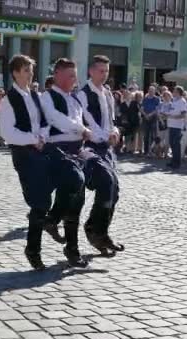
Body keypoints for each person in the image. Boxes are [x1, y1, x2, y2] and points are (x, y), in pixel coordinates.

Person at [0, 54, 60, 270]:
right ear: (15, 73)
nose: (30, 74)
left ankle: (49, 219)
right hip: (24, 154)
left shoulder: (35, 95)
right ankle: (33, 250)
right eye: (26, 70)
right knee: (39, 203)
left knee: (67, 179)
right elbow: (8, 133)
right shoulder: (8, 100)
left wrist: (42, 136)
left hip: (41, 149)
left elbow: (43, 121)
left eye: (31, 70)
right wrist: (33, 140)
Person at [40, 58, 93, 268]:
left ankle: (72, 250)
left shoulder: (74, 100)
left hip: (76, 150)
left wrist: (87, 131)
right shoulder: (48, 97)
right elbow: (55, 119)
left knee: (77, 202)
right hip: (58, 149)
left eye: (75, 75)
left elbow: (81, 122)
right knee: (75, 181)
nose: (75, 79)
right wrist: (80, 129)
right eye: (70, 75)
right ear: (57, 75)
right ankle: (51, 219)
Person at [77, 55, 124, 257]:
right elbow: (89, 124)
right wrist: (107, 135)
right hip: (90, 147)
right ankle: (93, 229)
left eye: (106, 71)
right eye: (100, 70)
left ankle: (101, 232)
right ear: (91, 71)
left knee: (114, 189)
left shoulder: (108, 94)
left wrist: (115, 133)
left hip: (107, 147)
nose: (104, 75)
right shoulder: (83, 94)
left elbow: (111, 121)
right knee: (106, 183)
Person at [164, 86, 187, 169]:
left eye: (174, 91)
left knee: (176, 144)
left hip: (177, 126)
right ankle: (173, 160)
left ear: (179, 92)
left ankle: (177, 163)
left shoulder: (182, 101)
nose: (173, 92)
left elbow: (183, 114)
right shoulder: (174, 100)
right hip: (171, 125)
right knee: (172, 144)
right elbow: (171, 111)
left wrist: (173, 117)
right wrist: (167, 114)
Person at [141, 86, 160, 156]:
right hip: (145, 118)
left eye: (153, 91)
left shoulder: (157, 99)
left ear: (154, 91)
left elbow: (157, 109)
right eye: (150, 90)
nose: (151, 92)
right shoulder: (145, 99)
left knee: (153, 135)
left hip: (153, 118)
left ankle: (151, 150)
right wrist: (145, 115)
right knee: (146, 135)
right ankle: (146, 151)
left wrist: (150, 115)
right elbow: (142, 108)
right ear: (148, 91)